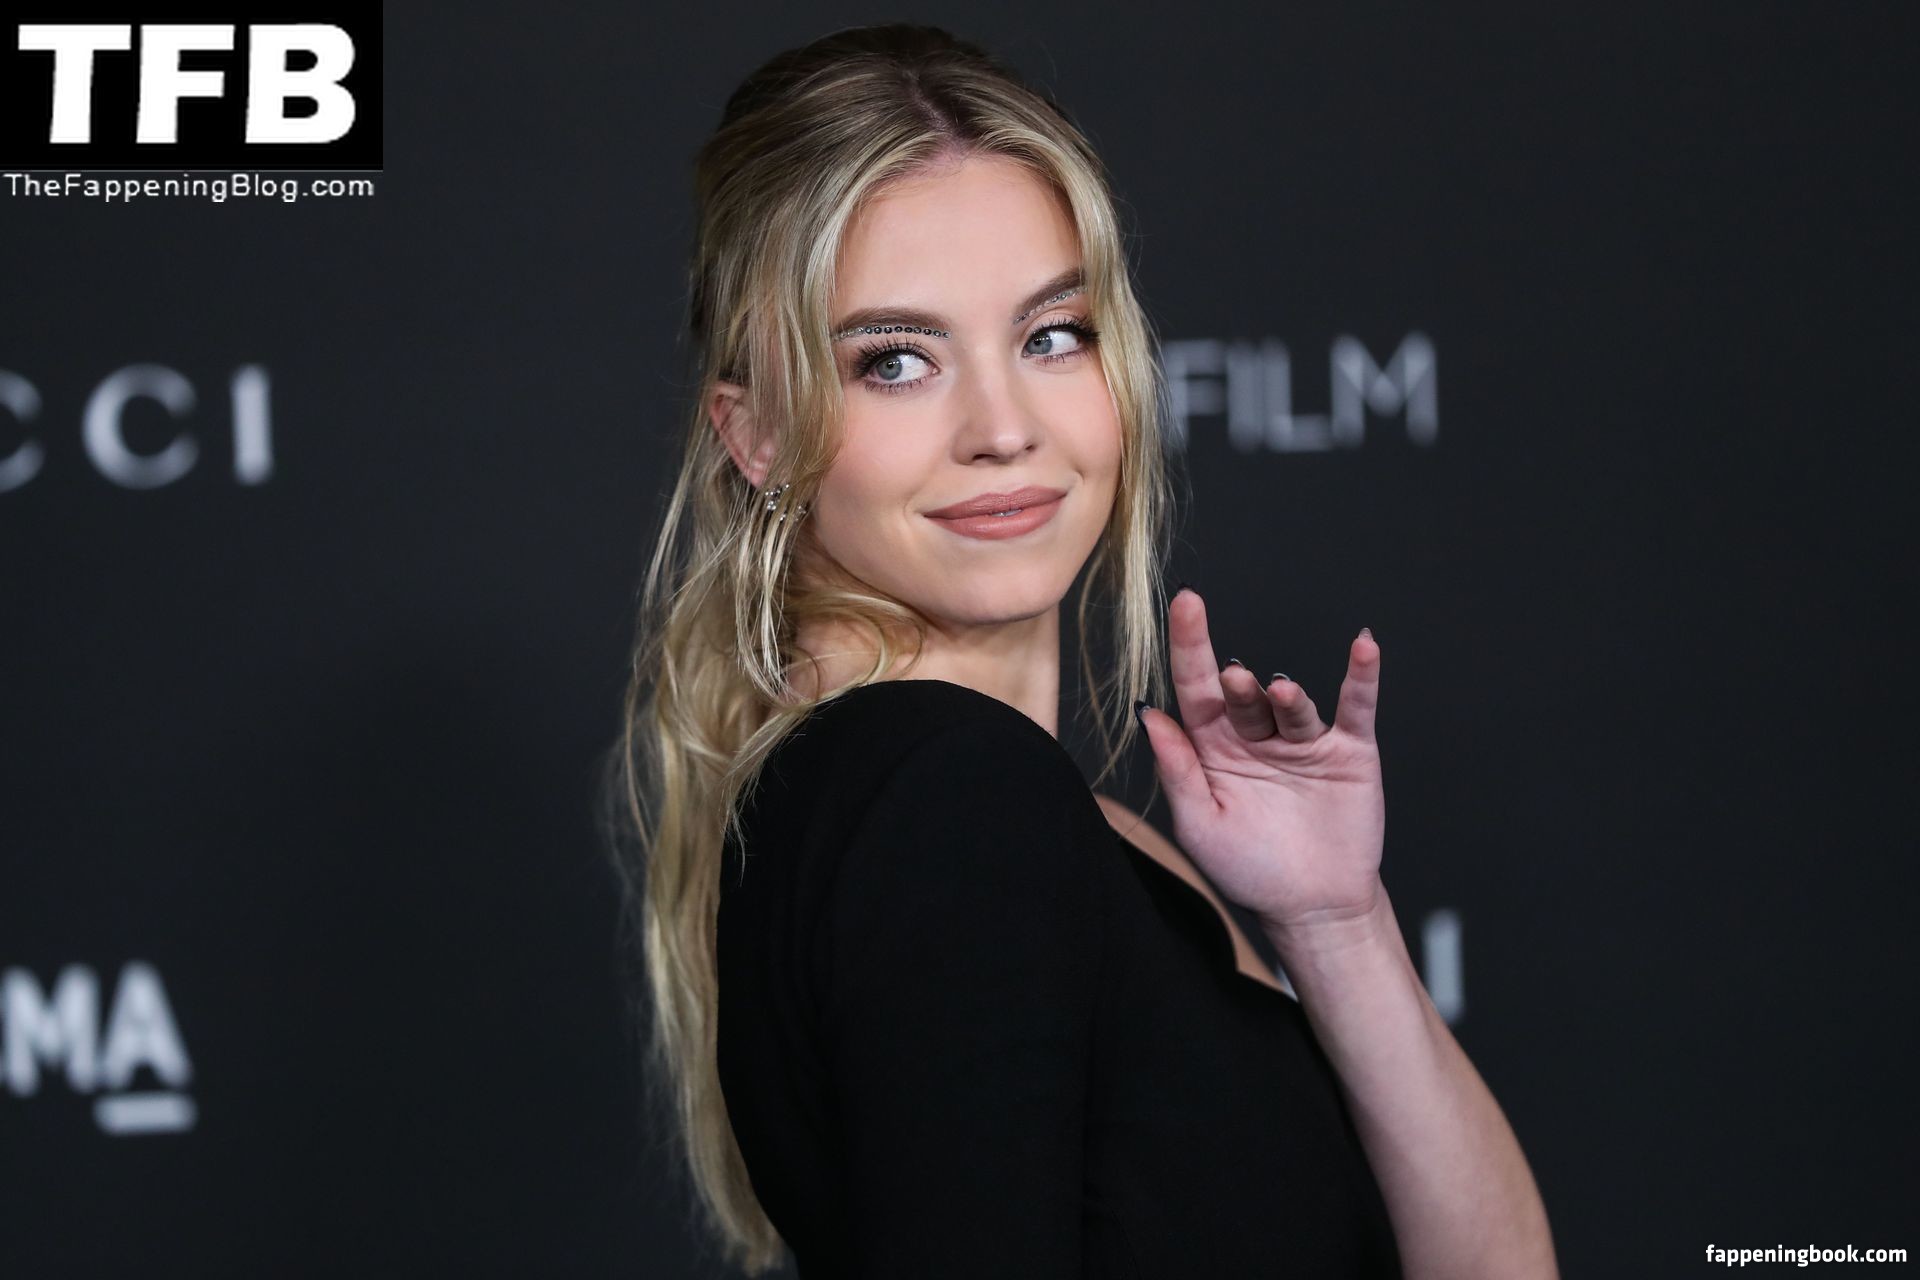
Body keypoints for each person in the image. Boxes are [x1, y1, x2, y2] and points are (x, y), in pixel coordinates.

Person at [601, 22, 1559, 1278]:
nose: (1003, 426)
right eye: (897, 361)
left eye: (1052, 334)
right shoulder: (947, 796)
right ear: (759, 433)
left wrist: (1336, 920)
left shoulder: (1034, 819)